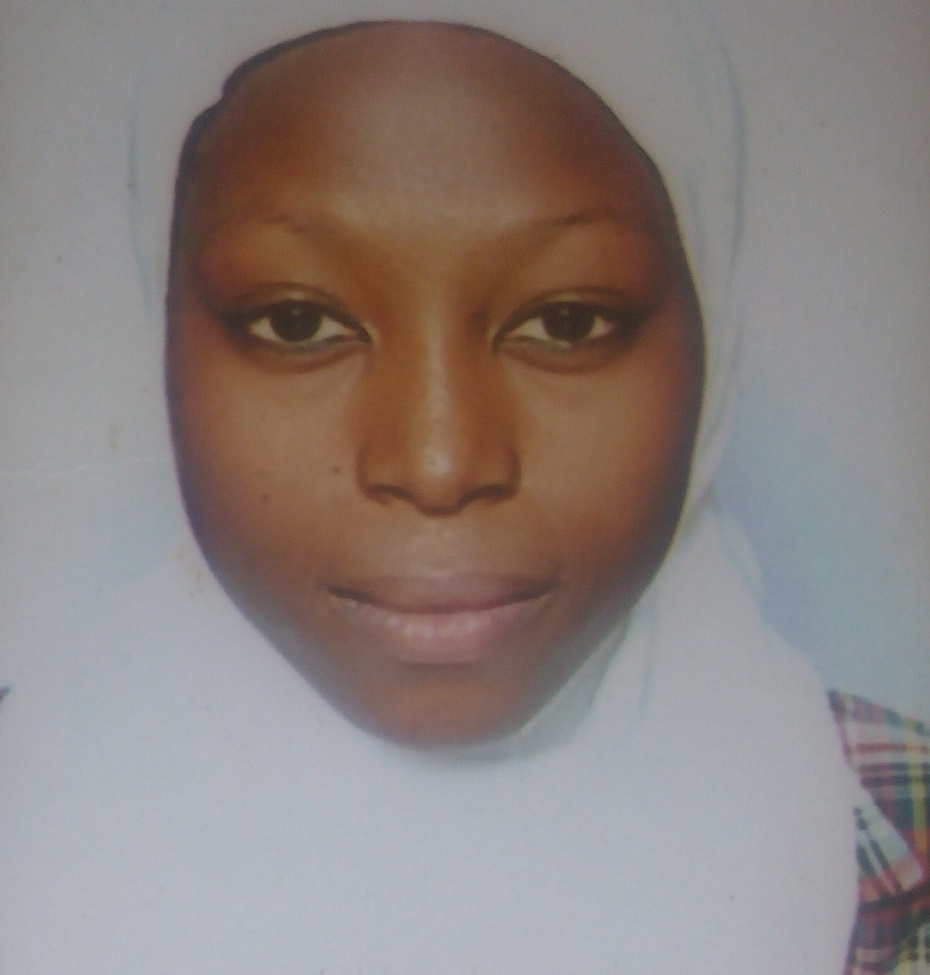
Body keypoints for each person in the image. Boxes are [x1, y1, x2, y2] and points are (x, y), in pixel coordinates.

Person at [0, 5, 925, 973]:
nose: (439, 463)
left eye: (567, 322)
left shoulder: (898, 839)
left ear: (713, 331)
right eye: (297, 322)